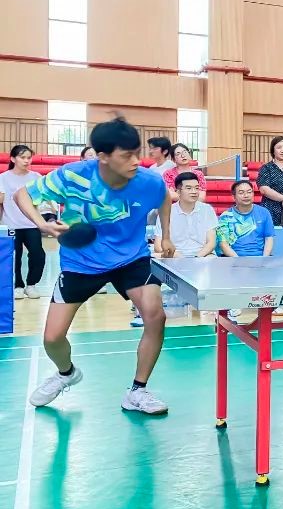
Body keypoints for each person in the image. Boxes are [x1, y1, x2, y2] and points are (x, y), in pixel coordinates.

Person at [13, 118, 175, 414]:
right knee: (52, 338)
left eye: (137, 153)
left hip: (131, 257)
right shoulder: (72, 176)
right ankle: (66, 373)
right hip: (81, 261)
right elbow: (22, 194)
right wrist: (41, 224)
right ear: (103, 156)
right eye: (126, 155)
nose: (136, 161)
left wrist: (166, 235)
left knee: (155, 315)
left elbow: (165, 198)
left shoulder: (148, 181)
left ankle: (138, 391)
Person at [216, 180, 277, 316]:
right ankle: (234, 303)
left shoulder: (264, 213)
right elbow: (223, 245)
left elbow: (269, 238)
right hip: (234, 258)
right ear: (234, 196)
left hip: (260, 257)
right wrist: (239, 261)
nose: (246, 195)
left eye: (249, 192)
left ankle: (271, 303)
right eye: (241, 192)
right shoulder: (226, 216)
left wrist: (264, 259)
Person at [0, 146, 46, 299]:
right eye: (22, 157)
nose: (26, 161)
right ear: (13, 159)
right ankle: (17, 286)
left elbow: (41, 200)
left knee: (38, 255)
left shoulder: (36, 177)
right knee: (14, 256)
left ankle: (31, 285)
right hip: (11, 224)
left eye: (29, 157)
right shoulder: (3, 178)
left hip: (31, 224)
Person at [156, 172, 217, 258]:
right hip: (175, 255)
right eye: (189, 188)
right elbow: (158, 246)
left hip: (202, 254)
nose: (194, 192)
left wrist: (196, 257)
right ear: (178, 191)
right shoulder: (167, 211)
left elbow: (211, 243)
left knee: (212, 258)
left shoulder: (207, 209)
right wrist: (175, 255)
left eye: (197, 188)